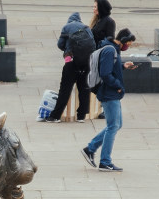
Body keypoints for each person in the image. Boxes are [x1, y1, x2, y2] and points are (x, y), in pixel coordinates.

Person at [82, 28, 136, 172]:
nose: (128, 47)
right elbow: (105, 73)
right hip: (109, 93)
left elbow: (111, 68)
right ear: (123, 40)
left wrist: (123, 66)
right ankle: (105, 161)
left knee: (116, 125)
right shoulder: (110, 50)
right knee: (113, 126)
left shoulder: (113, 49)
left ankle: (90, 148)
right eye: (128, 44)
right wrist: (118, 86)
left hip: (111, 92)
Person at [43, 11, 95, 123]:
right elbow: (93, 45)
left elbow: (60, 44)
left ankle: (55, 116)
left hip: (71, 61)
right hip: (86, 62)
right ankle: (81, 116)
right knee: (84, 89)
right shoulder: (87, 28)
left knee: (65, 90)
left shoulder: (67, 27)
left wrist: (67, 49)